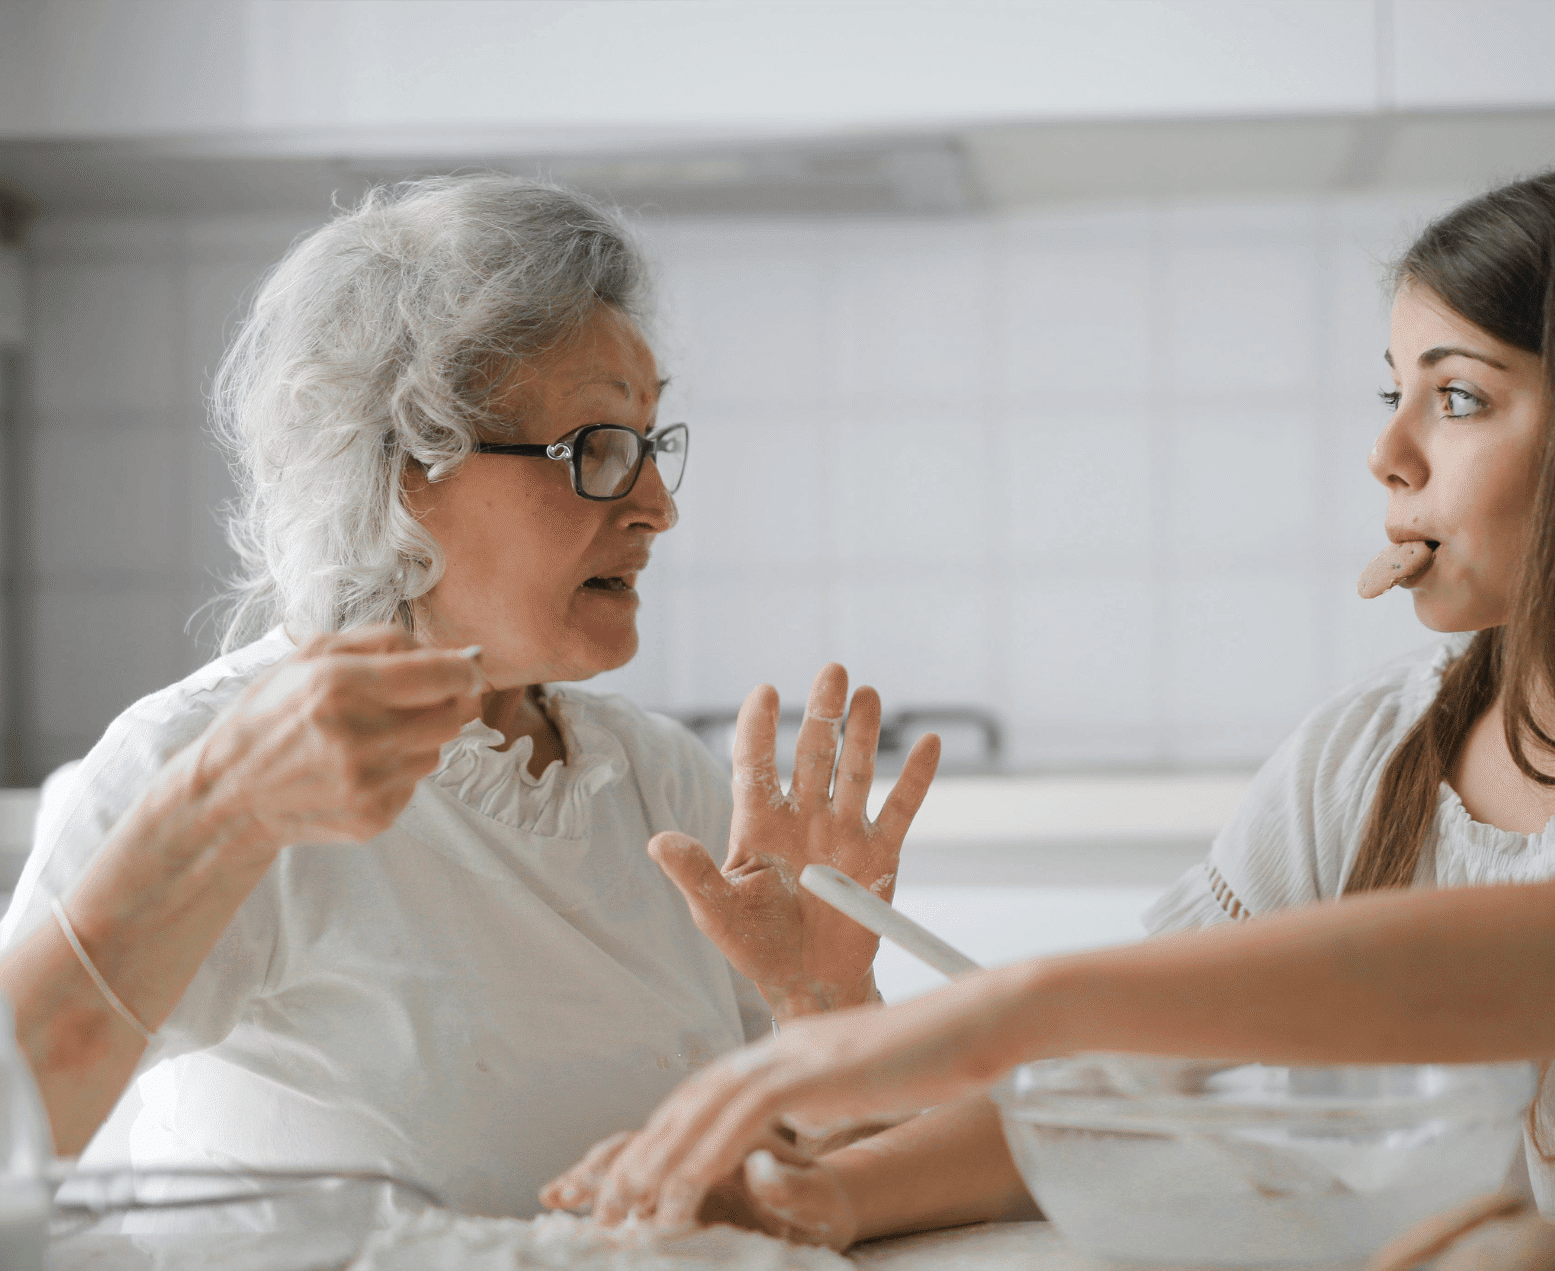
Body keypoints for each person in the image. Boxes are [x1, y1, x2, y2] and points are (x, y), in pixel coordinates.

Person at [549, 160, 1555, 1235]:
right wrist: (833, 1195)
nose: (1391, 460)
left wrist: (1024, 1000)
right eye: (1393, 394)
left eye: (1462, 395)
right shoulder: (1369, 753)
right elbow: (1138, 1077)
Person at [0, 174, 937, 1217]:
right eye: (596, 448)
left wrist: (827, 1007)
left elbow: (824, 1189)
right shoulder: (207, 757)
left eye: (651, 440)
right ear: (402, 468)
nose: (658, 507)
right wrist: (212, 813)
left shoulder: (663, 783)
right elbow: (11, 1132)